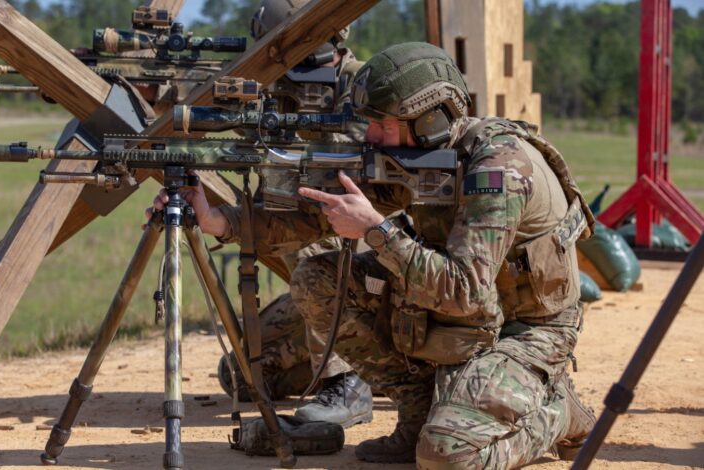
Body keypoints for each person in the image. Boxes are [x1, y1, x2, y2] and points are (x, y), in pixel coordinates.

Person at [150, 42, 597, 467]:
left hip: (528, 330)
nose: (370, 135)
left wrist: (377, 231)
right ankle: (417, 409)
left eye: (382, 123)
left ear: (430, 121)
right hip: (471, 318)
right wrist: (220, 220)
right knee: (317, 278)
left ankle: (559, 414)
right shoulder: (418, 155)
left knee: (448, 457)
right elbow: (311, 218)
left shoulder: (498, 170)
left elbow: (466, 291)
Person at [215, 0, 375, 429]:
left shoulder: (366, 85)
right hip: (311, 260)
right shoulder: (266, 88)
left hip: (368, 258)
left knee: (316, 249)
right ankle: (379, 364)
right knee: (243, 374)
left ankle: (347, 380)